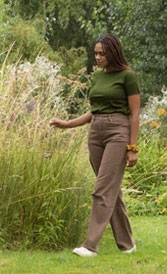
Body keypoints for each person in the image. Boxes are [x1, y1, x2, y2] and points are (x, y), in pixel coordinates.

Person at [49, 34, 140, 257]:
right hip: (96, 133)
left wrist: (132, 148)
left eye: (102, 53)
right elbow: (95, 110)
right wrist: (67, 124)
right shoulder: (98, 77)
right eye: (96, 53)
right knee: (111, 190)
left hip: (118, 133)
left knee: (102, 190)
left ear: (113, 52)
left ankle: (90, 245)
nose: (98, 57)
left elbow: (135, 113)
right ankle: (127, 244)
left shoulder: (128, 76)